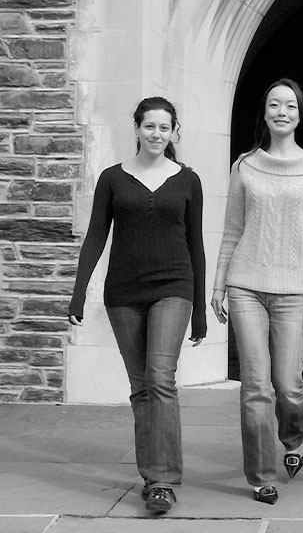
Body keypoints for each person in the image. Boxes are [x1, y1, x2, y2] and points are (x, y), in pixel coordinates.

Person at [68, 97, 206, 516]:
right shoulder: (112, 179)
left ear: (174, 132)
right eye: (150, 127)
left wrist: (199, 308)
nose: (157, 134)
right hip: (123, 293)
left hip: (173, 288)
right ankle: (152, 476)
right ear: (137, 129)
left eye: (165, 128)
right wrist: (78, 291)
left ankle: (163, 481)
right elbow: (95, 236)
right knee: (141, 387)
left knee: (161, 378)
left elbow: (195, 244)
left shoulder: (188, 180)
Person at [211, 78, 303, 505]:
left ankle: (294, 439)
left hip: (294, 289)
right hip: (246, 284)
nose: (281, 112)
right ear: (264, 113)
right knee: (255, 386)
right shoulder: (245, 165)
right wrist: (219, 283)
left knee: (288, 384)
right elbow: (232, 230)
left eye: (289, 106)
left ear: (300, 115)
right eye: (273, 105)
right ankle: (262, 474)